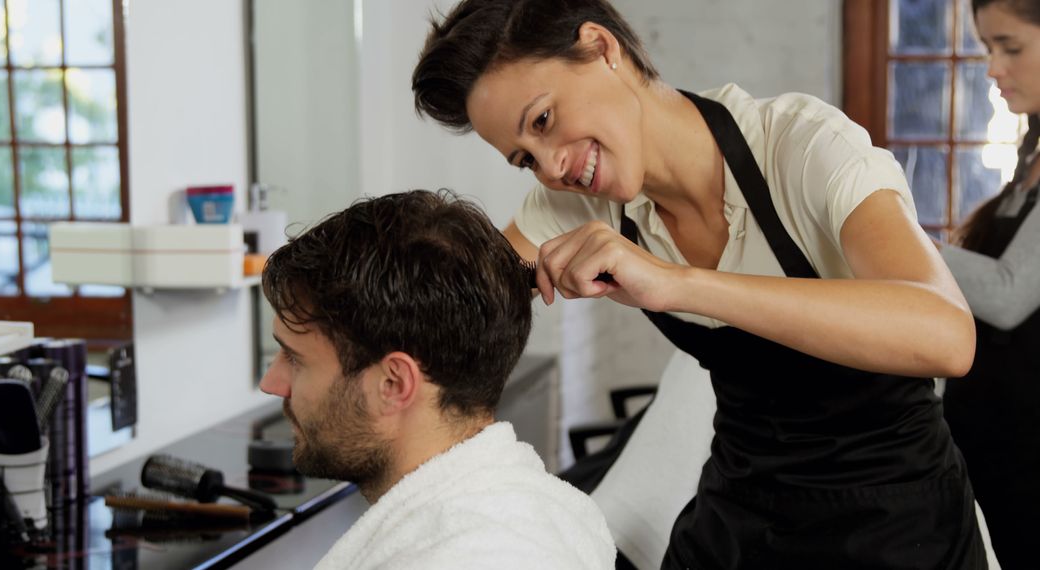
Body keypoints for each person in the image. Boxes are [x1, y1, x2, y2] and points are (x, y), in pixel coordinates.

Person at [412, 1, 987, 568]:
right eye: (524, 159)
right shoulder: (575, 199)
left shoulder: (800, 146)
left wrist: (677, 284)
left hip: (897, 520)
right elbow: (459, 296)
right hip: (743, 512)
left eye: (543, 121)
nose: (551, 167)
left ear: (601, 47)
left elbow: (946, 333)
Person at [258, 190, 616, 569]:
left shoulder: (467, 558)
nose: (272, 382)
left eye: (294, 359)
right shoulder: (544, 509)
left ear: (394, 384)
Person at [938, 1, 1040, 568]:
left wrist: (890, 236)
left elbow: (1006, 293)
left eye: (1012, 47)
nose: (993, 68)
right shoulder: (1031, 160)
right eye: (986, 49)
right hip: (993, 446)